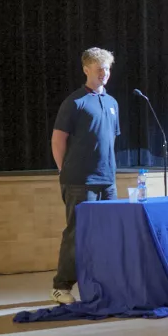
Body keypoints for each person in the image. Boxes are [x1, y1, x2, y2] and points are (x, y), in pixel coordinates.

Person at [50, 47, 121, 305]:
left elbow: (110, 139)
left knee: (108, 233)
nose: (104, 73)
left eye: (107, 68)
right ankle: (61, 286)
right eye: (99, 67)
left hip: (107, 180)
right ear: (86, 69)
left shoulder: (112, 103)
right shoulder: (75, 102)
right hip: (79, 181)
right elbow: (58, 140)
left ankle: (103, 282)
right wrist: (64, 170)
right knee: (77, 234)